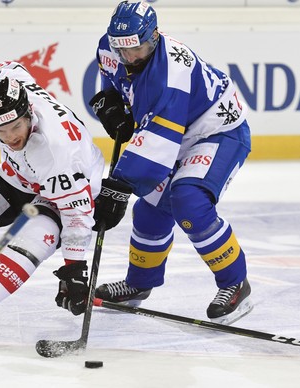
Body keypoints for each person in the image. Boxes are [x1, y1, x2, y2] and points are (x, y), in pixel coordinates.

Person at [0, 61, 126, 318]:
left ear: (29, 114)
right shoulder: (11, 87)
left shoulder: (56, 152)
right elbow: (3, 69)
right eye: (0, 130)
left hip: (64, 195)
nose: (11, 137)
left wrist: (74, 272)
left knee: (29, 244)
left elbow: (76, 214)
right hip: (17, 176)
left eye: (16, 126)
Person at [89, 1, 253, 325]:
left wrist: (119, 186)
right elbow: (115, 83)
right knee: (150, 211)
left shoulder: (170, 71)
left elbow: (158, 142)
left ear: (154, 35)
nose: (130, 57)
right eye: (123, 50)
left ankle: (236, 283)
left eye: (137, 48)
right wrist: (110, 103)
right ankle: (139, 285)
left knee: (188, 201)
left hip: (217, 132)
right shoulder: (111, 49)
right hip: (178, 133)